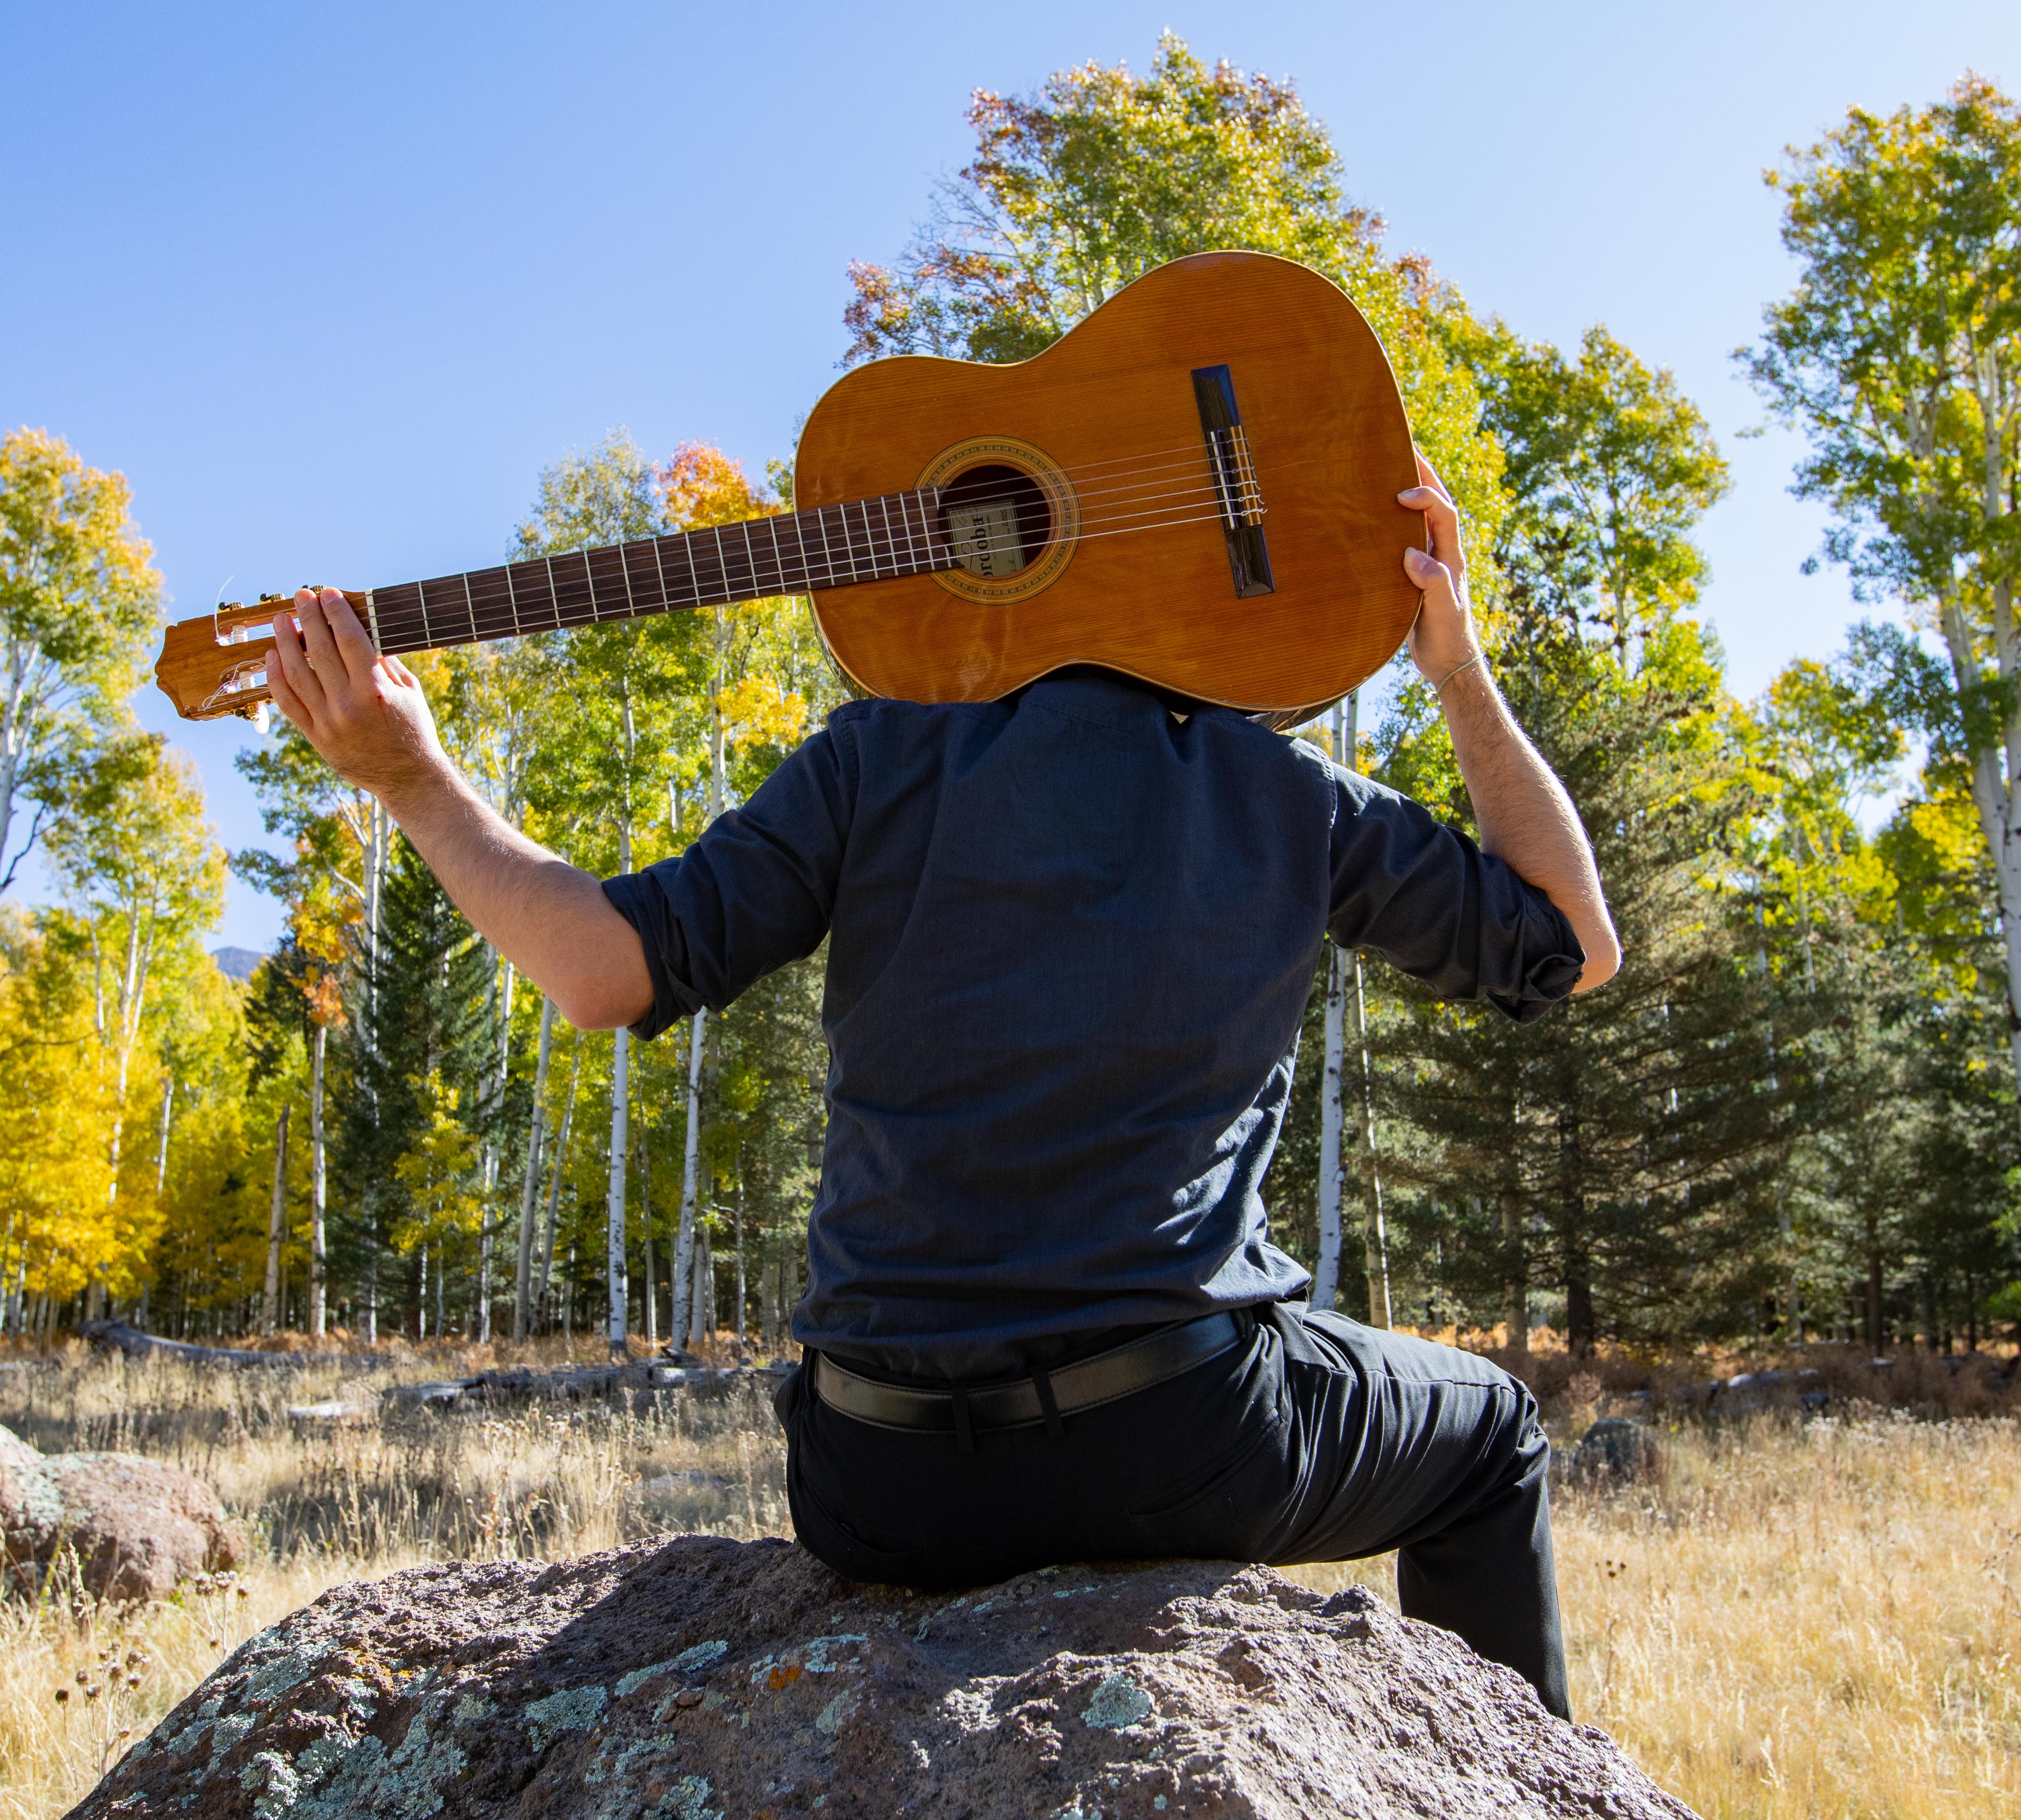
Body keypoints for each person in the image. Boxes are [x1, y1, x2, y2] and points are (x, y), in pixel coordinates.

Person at [263, 452, 1619, 1719]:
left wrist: (415, 779)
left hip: (875, 1480)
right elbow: (1573, 939)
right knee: (1492, 1429)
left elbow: (603, 970)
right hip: (1178, 1447)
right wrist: (1454, 664)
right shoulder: (1288, 792)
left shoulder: (879, 757)